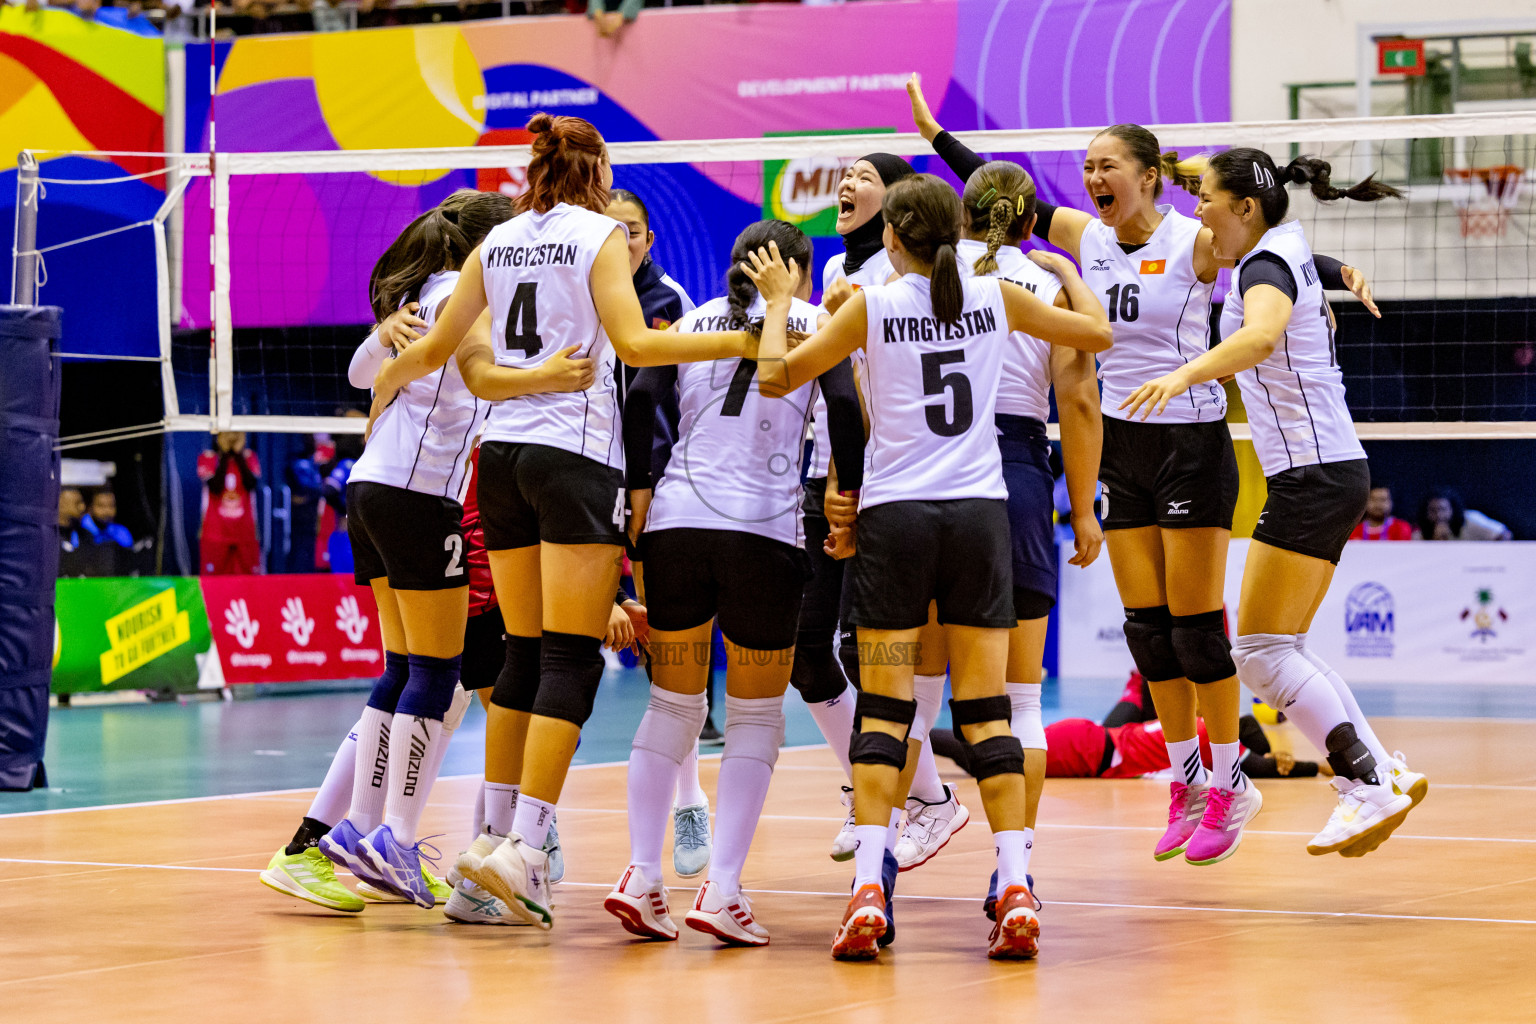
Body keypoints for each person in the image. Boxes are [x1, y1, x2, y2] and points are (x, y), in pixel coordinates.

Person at [907, 73, 1380, 867]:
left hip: (1192, 444)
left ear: (1149, 176)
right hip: (1124, 448)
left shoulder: (1194, 241)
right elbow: (996, 194)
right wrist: (934, 138)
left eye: (1108, 166)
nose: (1093, 179)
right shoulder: (1083, 239)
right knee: (1148, 636)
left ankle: (1233, 782)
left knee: (1198, 634)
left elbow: (1259, 246)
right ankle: (1186, 778)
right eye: (1087, 166)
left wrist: (1330, 266)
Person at [372, 113, 756, 930]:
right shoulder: (596, 236)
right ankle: (526, 847)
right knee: (572, 657)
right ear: (596, 173)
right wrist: (744, 341)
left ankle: (487, 858)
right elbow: (636, 345)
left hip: (501, 460)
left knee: (524, 650)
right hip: (573, 457)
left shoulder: (496, 242)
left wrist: (377, 382)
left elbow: (438, 348)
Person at [748, 173, 1111, 960]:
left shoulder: (869, 304)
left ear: (891, 238)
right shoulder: (1002, 300)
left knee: (887, 710)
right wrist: (1073, 273)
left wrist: (779, 304)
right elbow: (1099, 340)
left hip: (897, 524)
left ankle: (870, 888)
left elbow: (777, 376)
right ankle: (1015, 882)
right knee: (989, 712)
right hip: (980, 520)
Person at [1121, 148, 1428, 859]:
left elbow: (1259, 336)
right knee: (1280, 647)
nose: (1198, 211)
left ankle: (1366, 783)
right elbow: (1265, 236)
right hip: (1330, 469)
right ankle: (1383, 769)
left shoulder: (1263, 266)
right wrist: (1340, 271)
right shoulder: (1282, 248)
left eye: (1207, 200)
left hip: (1311, 476)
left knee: (1258, 651)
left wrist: (1184, 374)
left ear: (1246, 208)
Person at [312, 187, 609, 910]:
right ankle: (395, 837)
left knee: (408, 669)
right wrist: (553, 375)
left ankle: (357, 828)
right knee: (437, 675)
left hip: (372, 491)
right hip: (418, 496)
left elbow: (362, 375)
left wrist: (385, 344)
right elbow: (469, 375)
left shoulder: (432, 297)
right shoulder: (465, 301)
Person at [605, 220, 862, 946]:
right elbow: (843, 408)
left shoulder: (690, 321)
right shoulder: (817, 322)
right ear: (801, 273)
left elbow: (640, 399)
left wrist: (639, 488)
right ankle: (721, 890)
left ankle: (640, 876)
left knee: (671, 705)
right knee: (755, 718)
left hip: (678, 529)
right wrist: (850, 496)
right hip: (761, 533)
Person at [883, 161, 1101, 914]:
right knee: (1020, 699)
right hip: (1012, 476)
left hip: (926, 481)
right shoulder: (1033, 288)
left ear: (960, 221)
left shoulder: (911, 290)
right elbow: (1077, 404)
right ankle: (1015, 876)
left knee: (911, 693)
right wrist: (1086, 509)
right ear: (1033, 225)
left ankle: (876, 865)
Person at [603, 187, 714, 860]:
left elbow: (649, 393)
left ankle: (691, 800)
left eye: (633, 232)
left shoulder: (666, 300)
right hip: (580, 472)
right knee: (554, 651)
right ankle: (531, 821)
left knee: (663, 649)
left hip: (649, 482)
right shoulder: (578, 283)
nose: (623, 243)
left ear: (650, 239)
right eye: (610, 232)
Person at [197, 432, 262, 575]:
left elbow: (251, 483)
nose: (232, 437)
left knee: (248, 580)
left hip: (245, 532)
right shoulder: (208, 458)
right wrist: (225, 454)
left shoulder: (249, 457)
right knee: (214, 581)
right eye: (227, 433)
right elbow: (215, 487)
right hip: (215, 532)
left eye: (236, 433)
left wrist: (238, 454)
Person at [1415, 487, 1512, 540]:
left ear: (1452, 509)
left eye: (1443, 509)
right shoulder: (1420, 535)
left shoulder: (1470, 520)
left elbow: (1505, 534)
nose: (1439, 515)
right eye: (1433, 510)